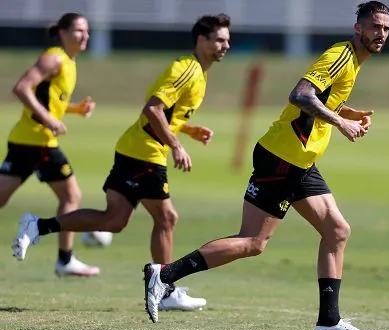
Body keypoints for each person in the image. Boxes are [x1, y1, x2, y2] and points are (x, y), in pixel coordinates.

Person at [143, 1, 389, 330]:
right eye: (375, 26)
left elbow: (321, 99)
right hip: (282, 158)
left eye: (386, 28)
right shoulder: (341, 56)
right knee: (253, 242)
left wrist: (344, 113)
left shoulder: (352, 62)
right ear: (359, 28)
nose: (381, 33)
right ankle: (166, 275)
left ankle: (329, 323)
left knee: (337, 231)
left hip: (300, 160)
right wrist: (340, 124)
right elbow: (301, 95)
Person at [13, 14, 232, 312]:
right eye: (219, 40)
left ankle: (38, 226)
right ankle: (164, 288)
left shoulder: (199, 73)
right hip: (145, 152)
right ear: (201, 40)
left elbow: (165, 114)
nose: (225, 45)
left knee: (113, 221)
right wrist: (177, 145)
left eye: (227, 40)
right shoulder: (187, 69)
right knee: (167, 218)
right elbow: (152, 108)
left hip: (133, 148)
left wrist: (188, 129)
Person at [1, 13, 102, 277]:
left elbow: (49, 101)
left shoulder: (68, 62)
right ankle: (65, 259)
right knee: (71, 197)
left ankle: (65, 260)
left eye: (87, 31)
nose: (85, 36)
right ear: (63, 32)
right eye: (79, 30)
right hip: (39, 142)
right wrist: (49, 120)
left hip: (26, 139)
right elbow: (22, 88)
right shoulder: (54, 58)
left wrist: (75, 109)